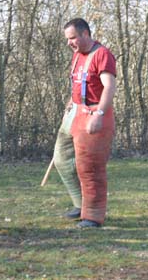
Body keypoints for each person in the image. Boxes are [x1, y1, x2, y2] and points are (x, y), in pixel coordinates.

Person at [53, 18, 116, 228]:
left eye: (72, 38)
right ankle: (81, 204)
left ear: (85, 34)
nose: (69, 42)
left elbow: (108, 87)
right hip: (75, 112)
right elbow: (79, 83)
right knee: (62, 159)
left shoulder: (102, 55)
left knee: (90, 167)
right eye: (67, 39)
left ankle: (93, 216)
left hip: (95, 113)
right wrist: (71, 102)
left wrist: (98, 114)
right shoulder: (77, 56)